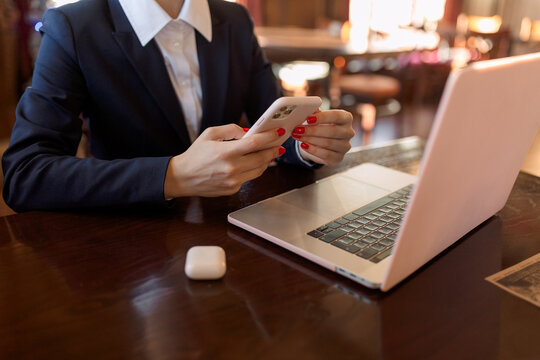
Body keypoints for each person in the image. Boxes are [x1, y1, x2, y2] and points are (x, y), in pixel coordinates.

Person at [2, 0, 354, 212]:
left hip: (233, 229)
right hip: (129, 245)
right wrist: (173, 176)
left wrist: (311, 145)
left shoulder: (234, 20)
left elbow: (275, 127)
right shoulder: (74, 27)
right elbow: (25, 174)